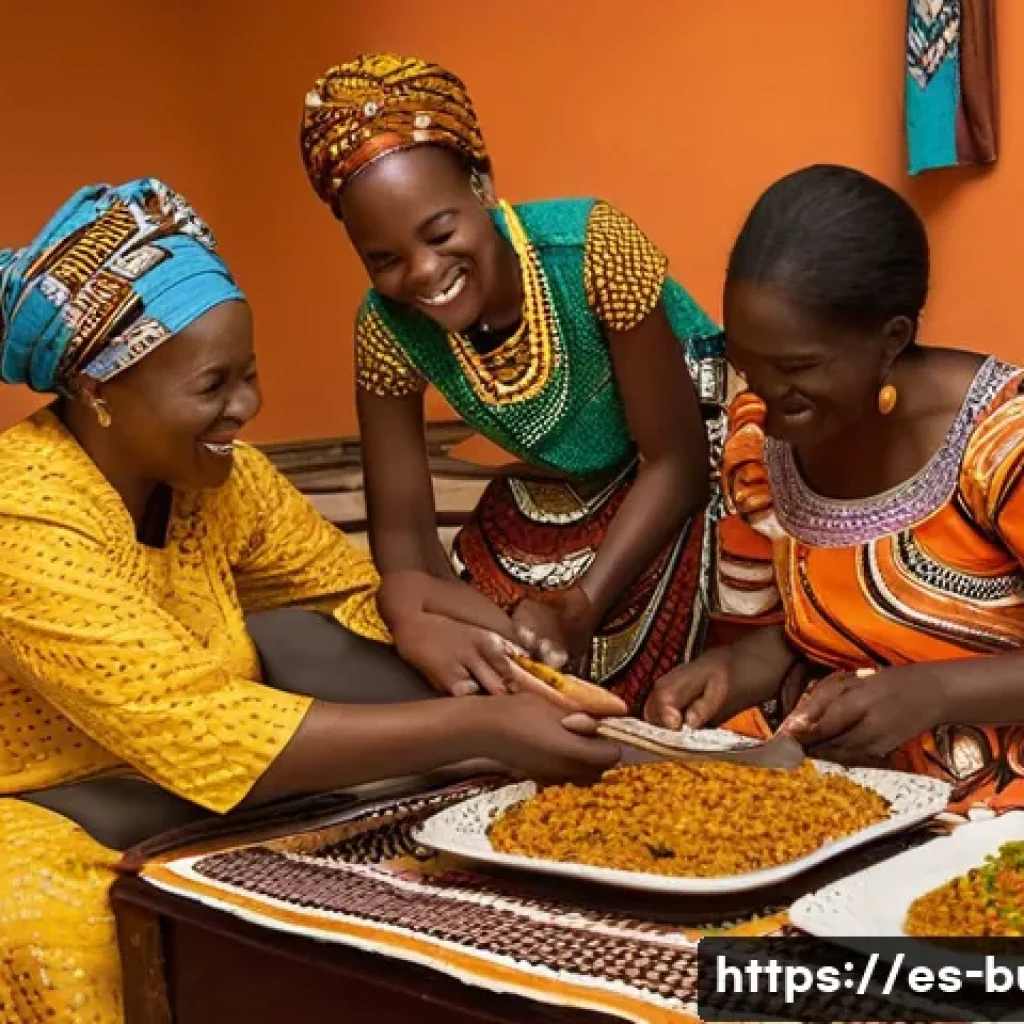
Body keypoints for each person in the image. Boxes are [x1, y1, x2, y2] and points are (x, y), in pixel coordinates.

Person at [0, 179, 620, 1022]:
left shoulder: (223, 480)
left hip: (169, 787)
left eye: (249, 375)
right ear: (101, 393)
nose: (248, 408)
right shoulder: (24, 515)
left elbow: (344, 594)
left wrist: (409, 603)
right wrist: (481, 726)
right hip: (32, 806)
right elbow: (197, 726)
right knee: (61, 929)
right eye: (214, 385)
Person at [299, 53, 728, 713]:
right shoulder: (385, 327)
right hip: (572, 486)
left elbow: (677, 462)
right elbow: (407, 538)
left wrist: (580, 605)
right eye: (384, 259)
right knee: (502, 591)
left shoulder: (593, 248)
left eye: (440, 232)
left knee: (658, 599)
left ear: (482, 187)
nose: (422, 273)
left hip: (698, 454)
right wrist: (467, 649)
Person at [646, 163, 1024, 816]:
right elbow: (807, 633)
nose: (762, 392)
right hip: (827, 770)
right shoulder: (760, 442)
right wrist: (731, 675)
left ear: (892, 340)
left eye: (797, 367)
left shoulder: (1003, 445)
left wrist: (934, 694)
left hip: (993, 790)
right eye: (746, 363)